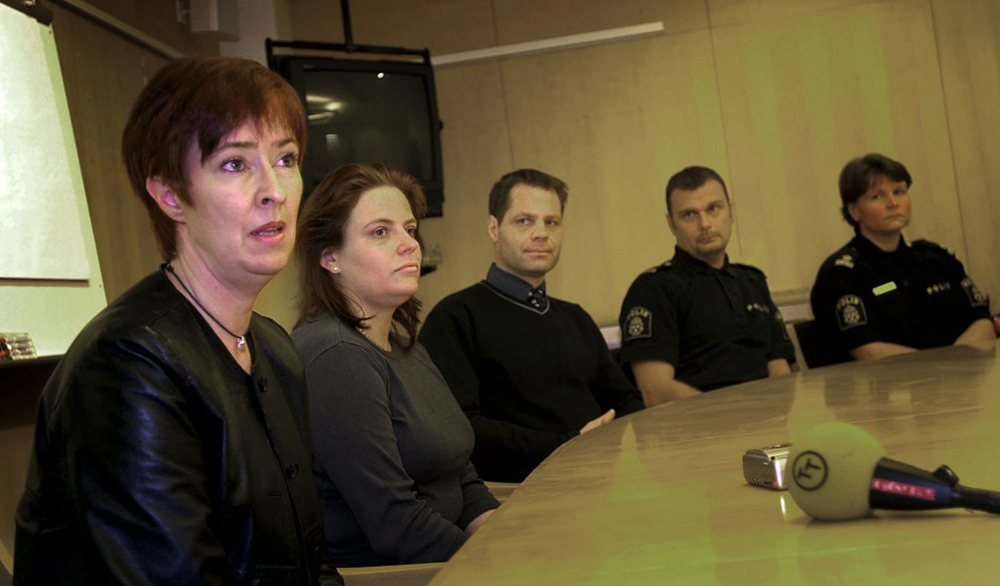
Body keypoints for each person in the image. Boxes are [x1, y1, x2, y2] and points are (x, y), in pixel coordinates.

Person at [14, 56, 333, 584]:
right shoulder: (126, 363)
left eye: (286, 158)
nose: (274, 189)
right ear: (168, 195)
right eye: (235, 163)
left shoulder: (273, 346)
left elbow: (312, 562)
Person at [293, 163, 499, 567]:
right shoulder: (336, 356)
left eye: (409, 229)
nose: (409, 244)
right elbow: (395, 525)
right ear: (330, 257)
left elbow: (460, 475)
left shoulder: (404, 345)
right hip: (398, 575)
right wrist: (500, 566)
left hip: (451, 560)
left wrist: (508, 540)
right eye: (381, 232)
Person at [418, 169, 644, 483]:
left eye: (551, 222)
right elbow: (460, 428)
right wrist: (569, 444)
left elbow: (625, 401)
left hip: (603, 478)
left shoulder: (575, 317)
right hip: (516, 493)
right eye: (524, 221)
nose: (541, 233)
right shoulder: (455, 317)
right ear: (493, 228)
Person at [618, 166, 794, 406]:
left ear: (730, 211)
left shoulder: (752, 281)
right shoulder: (653, 289)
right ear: (672, 223)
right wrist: (733, 416)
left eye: (713, 209)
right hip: (700, 432)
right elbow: (656, 391)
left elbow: (780, 367)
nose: (705, 224)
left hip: (770, 427)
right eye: (689, 214)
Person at [810, 153, 994, 360]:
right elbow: (867, 350)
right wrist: (942, 368)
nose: (893, 203)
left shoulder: (935, 258)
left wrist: (956, 364)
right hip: (887, 388)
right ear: (854, 211)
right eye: (877, 196)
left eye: (899, 192)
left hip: (960, 381)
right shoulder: (840, 274)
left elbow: (982, 320)